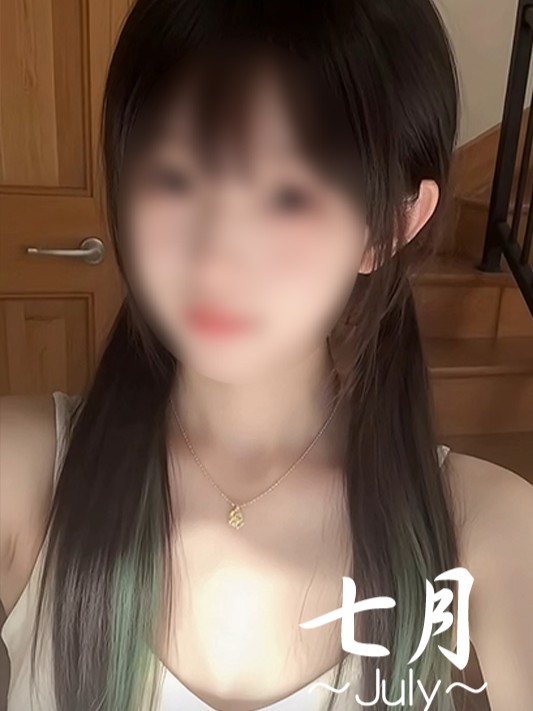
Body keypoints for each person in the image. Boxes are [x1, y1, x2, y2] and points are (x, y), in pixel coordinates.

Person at [1, 1, 532, 710]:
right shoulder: (23, 474)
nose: (216, 254)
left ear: (390, 224)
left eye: (287, 196)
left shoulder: (488, 529)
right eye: (174, 178)